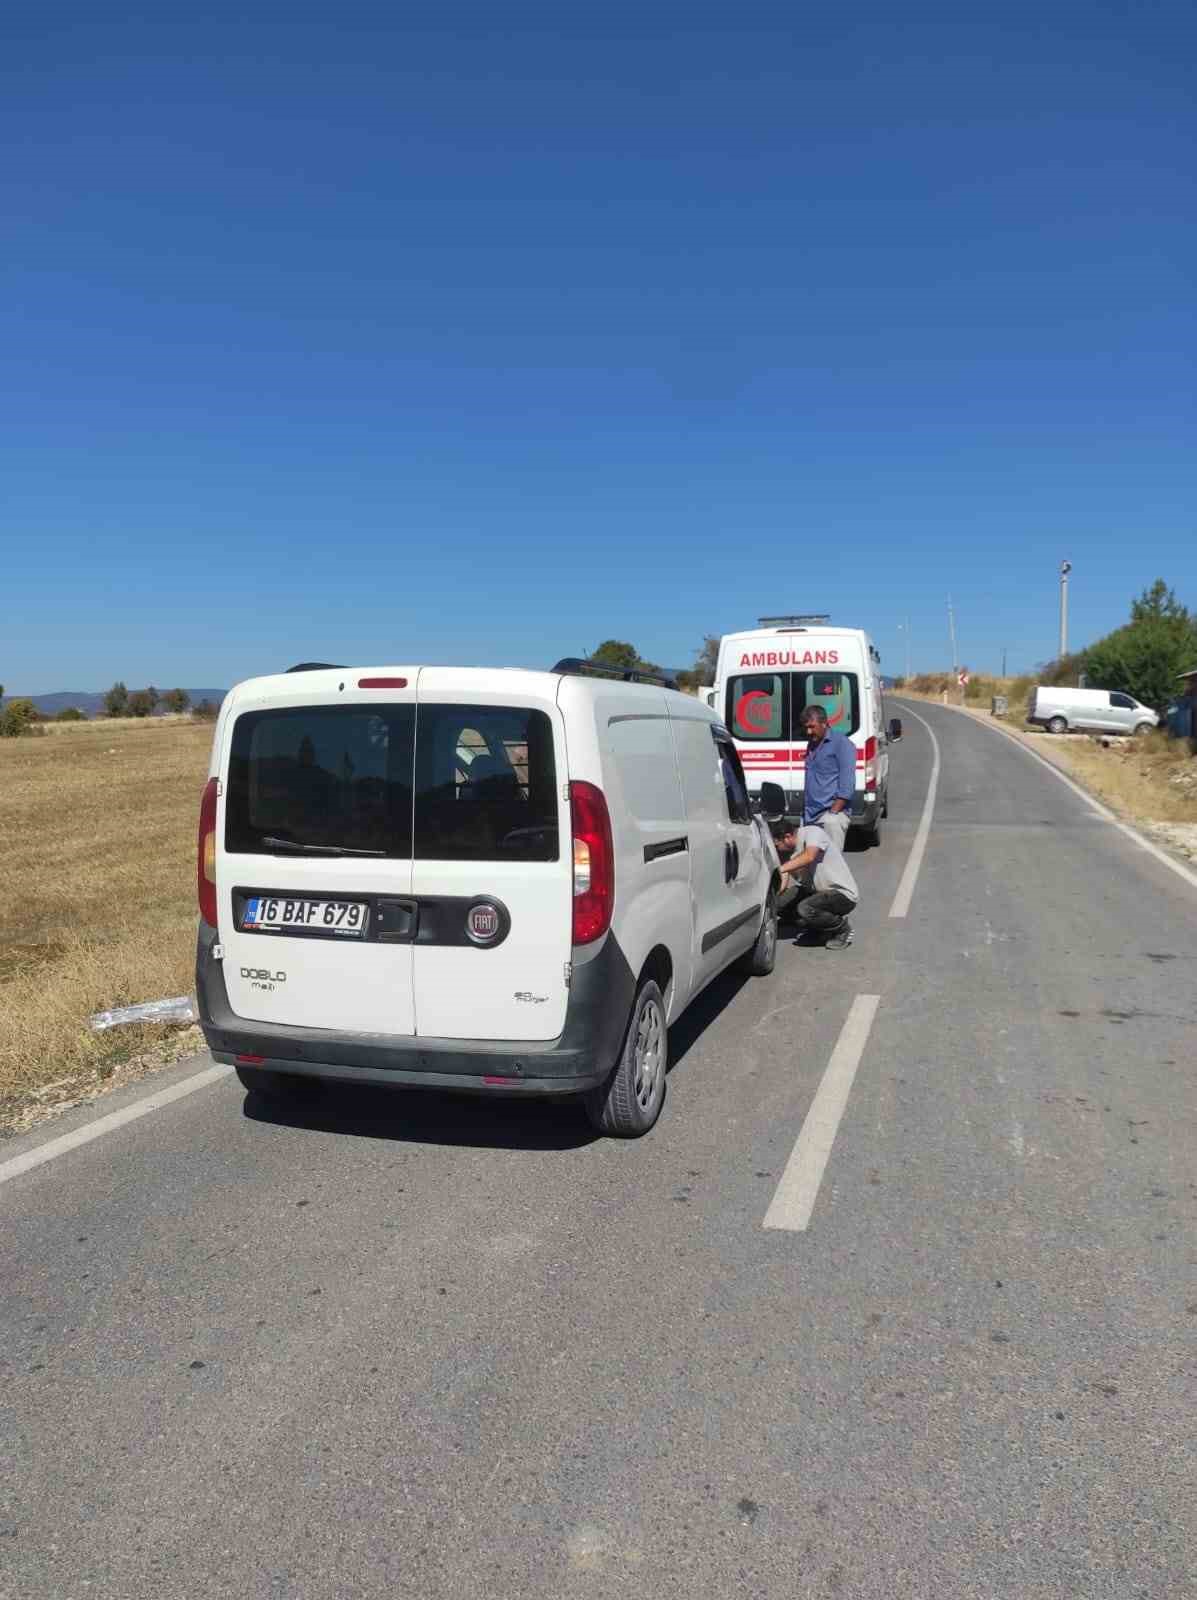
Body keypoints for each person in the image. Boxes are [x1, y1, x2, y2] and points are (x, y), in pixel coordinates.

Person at [773, 819, 859, 950]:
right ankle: (815, 926)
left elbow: (809, 856)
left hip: (841, 894)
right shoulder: (787, 853)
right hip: (816, 893)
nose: (777, 849)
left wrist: (781, 869)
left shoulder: (812, 833)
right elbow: (783, 878)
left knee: (805, 908)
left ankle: (842, 929)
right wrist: (772, 898)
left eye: (777, 845)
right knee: (777, 904)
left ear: (787, 837)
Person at [800, 704, 855, 850]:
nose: (808, 731)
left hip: (830, 816)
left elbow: (847, 785)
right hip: (810, 815)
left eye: (812, 726)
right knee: (809, 866)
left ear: (824, 723)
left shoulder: (841, 743)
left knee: (832, 865)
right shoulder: (812, 744)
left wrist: (833, 814)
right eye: (806, 727)